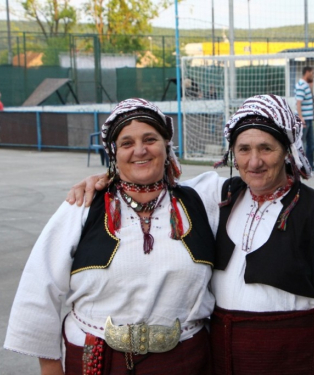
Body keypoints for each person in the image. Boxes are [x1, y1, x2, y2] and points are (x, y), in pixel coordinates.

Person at [68, 95, 314, 375]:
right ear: (232, 154)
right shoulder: (217, 195)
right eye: (244, 150)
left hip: (292, 360)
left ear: (288, 151)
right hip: (222, 363)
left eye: (266, 148)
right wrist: (105, 178)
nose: (254, 162)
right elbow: (150, 179)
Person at [4, 98, 218, 374]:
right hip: (97, 359)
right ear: (113, 153)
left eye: (150, 139)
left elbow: (259, 178)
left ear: (167, 145)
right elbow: (40, 285)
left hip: (185, 360)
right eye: (127, 144)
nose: (140, 150)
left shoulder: (201, 198)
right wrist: (50, 367)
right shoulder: (83, 205)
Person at [295, 66, 314, 173]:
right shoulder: (301, 85)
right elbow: (298, 103)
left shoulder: (306, 85)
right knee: (302, 144)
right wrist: (301, 118)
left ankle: (309, 166)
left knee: (311, 144)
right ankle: (302, 167)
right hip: (304, 119)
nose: (313, 75)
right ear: (307, 72)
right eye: (312, 73)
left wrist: (311, 86)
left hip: (308, 119)